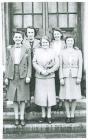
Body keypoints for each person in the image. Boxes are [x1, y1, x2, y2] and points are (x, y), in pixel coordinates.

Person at [5, 31, 31, 126]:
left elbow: (29, 65)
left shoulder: (27, 49)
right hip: (12, 74)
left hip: (23, 75)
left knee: (23, 98)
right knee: (15, 98)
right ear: (13, 38)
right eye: (16, 37)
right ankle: (16, 117)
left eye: (19, 37)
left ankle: (22, 117)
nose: (18, 39)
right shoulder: (9, 49)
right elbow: (7, 63)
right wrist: (6, 77)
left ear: (22, 39)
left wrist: (28, 76)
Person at [33, 36, 59, 124]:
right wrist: (41, 71)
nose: (45, 44)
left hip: (50, 76)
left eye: (46, 42)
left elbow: (57, 64)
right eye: (43, 43)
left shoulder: (53, 51)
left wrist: (49, 71)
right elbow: (34, 62)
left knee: (49, 96)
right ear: (41, 43)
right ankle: (43, 115)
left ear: (49, 43)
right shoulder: (37, 51)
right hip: (40, 77)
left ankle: (49, 116)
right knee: (41, 96)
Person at [59, 36, 82, 123]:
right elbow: (60, 66)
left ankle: (72, 115)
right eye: (68, 40)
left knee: (74, 96)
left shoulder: (78, 52)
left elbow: (80, 65)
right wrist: (61, 77)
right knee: (66, 97)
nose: (70, 42)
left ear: (73, 42)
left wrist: (79, 77)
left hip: (75, 76)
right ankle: (67, 115)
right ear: (65, 42)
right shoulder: (62, 52)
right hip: (65, 76)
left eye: (71, 40)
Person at [23, 26, 40, 111]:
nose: (30, 34)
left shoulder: (39, 42)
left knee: (37, 84)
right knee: (27, 84)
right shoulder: (23, 42)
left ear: (34, 33)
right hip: (26, 67)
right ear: (26, 34)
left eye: (32, 32)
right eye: (29, 32)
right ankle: (28, 103)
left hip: (37, 67)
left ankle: (38, 103)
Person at [51, 28, 65, 109]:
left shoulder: (64, 43)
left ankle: (61, 101)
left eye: (58, 34)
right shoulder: (51, 43)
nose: (56, 35)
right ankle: (53, 101)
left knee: (61, 83)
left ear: (60, 34)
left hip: (62, 66)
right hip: (53, 65)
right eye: (55, 34)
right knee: (54, 83)